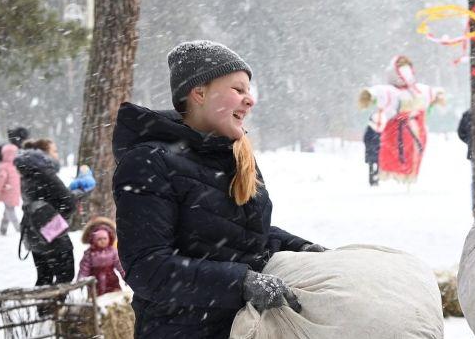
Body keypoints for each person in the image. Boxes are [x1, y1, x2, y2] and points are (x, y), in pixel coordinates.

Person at [113, 40, 327, 337]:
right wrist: (240, 283)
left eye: (249, 91)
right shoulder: (149, 162)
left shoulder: (237, 156)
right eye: (238, 90)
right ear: (198, 92)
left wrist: (303, 248)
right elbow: (147, 267)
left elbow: (242, 237)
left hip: (243, 328)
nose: (249, 100)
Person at [357, 56, 445, 184]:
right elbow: (379, 93)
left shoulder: (418, 90)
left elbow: (430, 94)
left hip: (415, 130)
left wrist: (437, 96)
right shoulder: (392, 92)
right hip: (399, 130)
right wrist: (369, 96)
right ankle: (393, 174)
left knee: (410, 154)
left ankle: (406, 175)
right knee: (398, 153)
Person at [17, 138, 75, 287]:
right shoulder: (45, 172)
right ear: (44, 153)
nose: (57, 154)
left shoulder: (27, 173)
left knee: (44, 277)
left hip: (32, 231)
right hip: (52, 232)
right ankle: (53, 309)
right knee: (65, 275)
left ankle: (44, 309)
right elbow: (68, 202)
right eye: (54, 151)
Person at [79, 217, 126, 296]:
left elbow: (120, 265)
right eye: (99, 239)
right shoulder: (90, 253)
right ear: (94, 240)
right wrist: (81, 280)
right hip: (95, 281)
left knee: (114, 296)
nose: (102, 241)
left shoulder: (113, 251)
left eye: (105, 238)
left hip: (111, 280)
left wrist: (126, 276)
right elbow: (84, 269)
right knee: (96, 299)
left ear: (109, 238)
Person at [0, 144, 22, 236]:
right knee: (10, 210)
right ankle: (19, 228)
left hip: (9, 191)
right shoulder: (14, 166)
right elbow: (1, 179)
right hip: (10, 191)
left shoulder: (3, 166)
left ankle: (3, 229)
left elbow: (0, 179)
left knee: (8, 211)